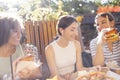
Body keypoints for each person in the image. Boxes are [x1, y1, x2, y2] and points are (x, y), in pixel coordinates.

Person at [0, 13, 42, 80]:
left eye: (20, 31)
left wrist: (29, 74)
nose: (19, 36)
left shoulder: (20, 48)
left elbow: (38, 75)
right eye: (15, 31)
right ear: (4, 32)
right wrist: (13, 75)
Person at [45, 15, 84, 80]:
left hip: (72, 77)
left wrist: (93, 69)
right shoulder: (50, 49)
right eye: (72, 30)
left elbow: (80, 68)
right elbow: (55, 75)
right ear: (61, 30)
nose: (76, 33)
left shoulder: (76, 44)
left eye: (76, 30)